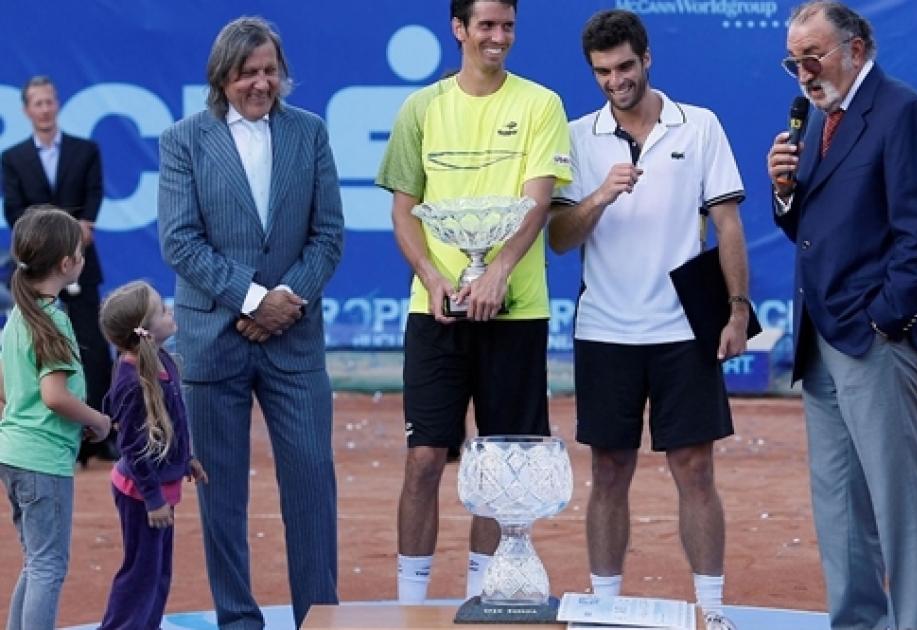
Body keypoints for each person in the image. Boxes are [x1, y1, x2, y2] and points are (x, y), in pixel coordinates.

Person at [549, 9, 748, 629]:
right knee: (608, 470)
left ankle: (711, 612)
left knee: (695, 468)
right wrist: (601, 196)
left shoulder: (701, 124)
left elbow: (728, 225)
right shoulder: (578, 135)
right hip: (605, 329)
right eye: (604, 72)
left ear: (647, 58)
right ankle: (605, 610)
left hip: (685, 329)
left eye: (626, 67)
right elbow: (558, 237)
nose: (616, 81)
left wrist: (738, 310)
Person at [375, 0, 572, 604]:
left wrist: (498, 272)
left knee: (503, 466)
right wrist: (435, 280)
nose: (499, 37)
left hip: (516, 311)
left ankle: (487, 599)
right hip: (435, 312)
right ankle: (411, 604)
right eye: (486, 25)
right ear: (459, 30)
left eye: (507, 26)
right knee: (425, 458)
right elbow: (404, 211)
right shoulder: (421, 108)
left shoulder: (541, 103)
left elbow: (538, 201)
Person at [156, 16, 345, 630]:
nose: (262, 83)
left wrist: (283, 299)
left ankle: (318, 618)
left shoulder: (309, 132)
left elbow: (328, 235)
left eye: (270, 71)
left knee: (313, 488)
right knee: (221, 499)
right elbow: (180, 243)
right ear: (223, 77)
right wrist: (252, 299)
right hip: (214, 342)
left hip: (293, 339)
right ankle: (239, 621)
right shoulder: (184, 139)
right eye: (248, 73)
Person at [765, 2, 917, 628]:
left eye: (812, 57)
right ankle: (857, 623)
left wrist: (885, 321)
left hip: (873, 339)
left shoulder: (902, 113)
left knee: (898, 505)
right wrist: (785, 193)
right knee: (839, 504)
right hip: (822, 340)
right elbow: (814, 230)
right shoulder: (820, 121)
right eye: (794, 62)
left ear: (856, 49)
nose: (803, 73)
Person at [0, 206, 112, 630]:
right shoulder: (53, 321)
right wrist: (97, 421)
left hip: (14, 452)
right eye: (79, 252)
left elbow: (7, 388)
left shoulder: (18, 318)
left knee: (37, 561)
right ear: (67, 264)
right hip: (41, 460)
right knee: (48, 565)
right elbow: (54, 396)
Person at [1, 75, 117, 466]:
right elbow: (14, 211)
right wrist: (56, 239)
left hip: (81, 264)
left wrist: (81, 232)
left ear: (58, 104)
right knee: (36, 348)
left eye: (50, 101)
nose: (45, 109)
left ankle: (96, 438)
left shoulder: (86, 151)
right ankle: (45, 429)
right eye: (37, 103)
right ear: (26, 110)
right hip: (38, 268)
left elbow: (94, 196)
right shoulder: (13, 158)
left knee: (94, 347)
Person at [96, 280, 209, 630]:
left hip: (160, 487)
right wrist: (153, 498)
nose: (170, 310)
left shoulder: (161, 360)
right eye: (161, 310)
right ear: (142, 329)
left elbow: (174, 420)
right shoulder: (132, 381)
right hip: (142, 493)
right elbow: (132, 446)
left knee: (159, 571)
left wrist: (185, 457)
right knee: (141, 574)